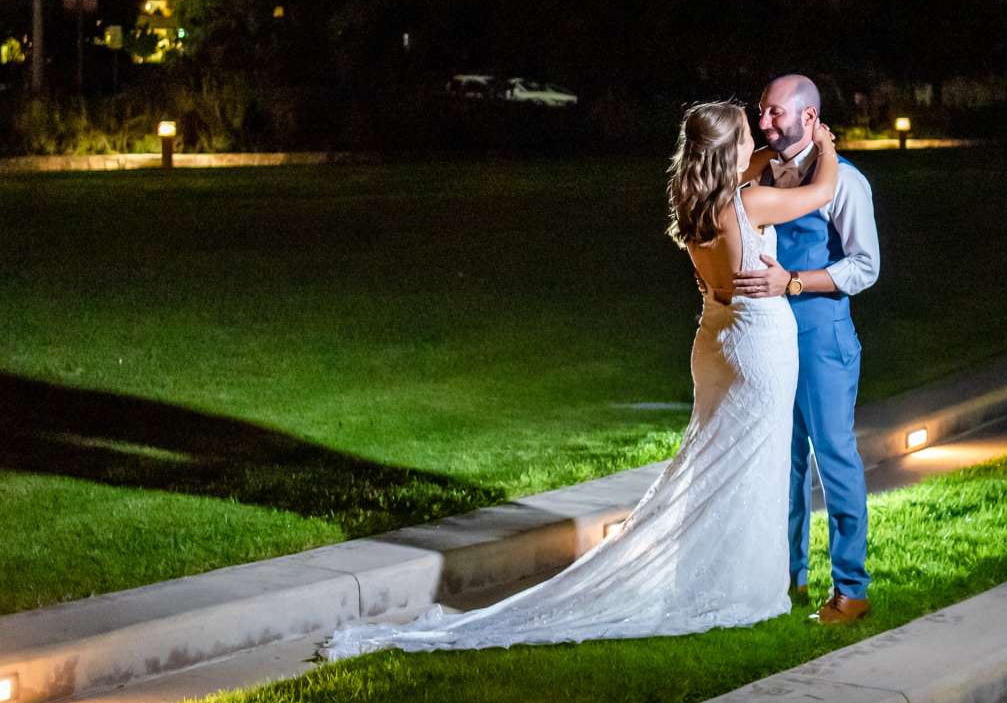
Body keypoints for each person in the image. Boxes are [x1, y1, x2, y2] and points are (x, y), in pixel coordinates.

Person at [322, 104, 840, 655]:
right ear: (731, 151)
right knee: (748, 468)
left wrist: (773, 151)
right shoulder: (751, 201)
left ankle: (707, 573)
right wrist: (824, 144)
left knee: (712, 466)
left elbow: (746, 166)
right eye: (747, 135)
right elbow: (820, 192)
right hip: (757, 346)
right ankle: (739, 588)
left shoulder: (698, 200)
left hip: (714, 343)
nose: (756, 141)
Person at [732, 74, 881, 624]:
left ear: (809, 119)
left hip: (821, 335)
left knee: (834, 457)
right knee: (783, 461)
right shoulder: (760, 177)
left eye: (775, 113)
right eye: (762, 112)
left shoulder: (847, 184)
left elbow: (865, 268)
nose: (764, 121)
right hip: (768, 339)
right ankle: (789, 578)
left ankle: (851, 588)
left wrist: (792, 281)